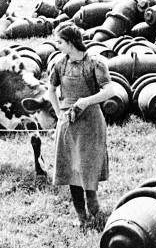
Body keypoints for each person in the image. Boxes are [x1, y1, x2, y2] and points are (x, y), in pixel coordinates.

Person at [47, 22, 115, 228]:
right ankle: (81, 216)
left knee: (88, 165)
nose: (57, 45)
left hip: (91, 120)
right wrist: (59, 113)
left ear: (70, 42)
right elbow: (51, 90)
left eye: (60, 42)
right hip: (68, 121)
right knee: (70, 168)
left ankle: (93, 206)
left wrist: (87, 101)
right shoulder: (59, 64)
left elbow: (110, 90)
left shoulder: (95, 63)